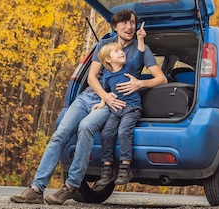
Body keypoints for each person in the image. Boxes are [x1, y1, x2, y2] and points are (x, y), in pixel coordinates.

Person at [9, 9, 166, 205]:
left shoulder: (141, 50)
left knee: (85, 128)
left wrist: (139, 83)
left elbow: (161, 78)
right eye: (124, 23)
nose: (129, 27)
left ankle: (71, 186)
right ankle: (36, 188)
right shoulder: (104, 44)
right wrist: (104, 96)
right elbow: (91, 77)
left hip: (115, 102)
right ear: (115, 27)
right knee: (61, 133)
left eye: (132, 23)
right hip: (92, 97)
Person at [93, 21, 146, 187]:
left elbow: (140, 55)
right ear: (108, 59)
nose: (122, 53)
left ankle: (125, 166)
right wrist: (102, 102)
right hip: (115, 109)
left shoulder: (130, 67)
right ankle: (107, 167)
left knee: (124, 131)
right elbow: (106, 91)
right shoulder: (107, 76)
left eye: (121, 51)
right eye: (117, 52)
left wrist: (140, 39)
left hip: (131, 109)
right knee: (107, 133)